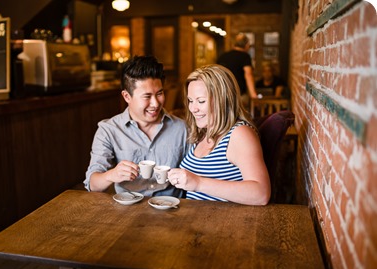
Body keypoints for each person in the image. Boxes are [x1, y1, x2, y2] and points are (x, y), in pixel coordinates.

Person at [84, 55, 188, 197]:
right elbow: (92, 184)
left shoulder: (182, 128)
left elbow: (198, 174)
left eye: (159, 93)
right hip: (129, 210)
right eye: (147, 96)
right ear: (127, 96)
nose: (156, 103)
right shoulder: (109, 130)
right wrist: (111, 175)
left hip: (174, 209)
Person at [167, 64, 270, 205]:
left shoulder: (240, 134)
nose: (193, 108)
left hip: (224, 223)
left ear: (223, 100)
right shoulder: (204, 131)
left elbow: (261, 193)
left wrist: (198, 183)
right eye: (190, 101)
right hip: (195, 219)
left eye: (201, 101)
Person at [217, 33, 257, 110]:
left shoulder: (223, 56)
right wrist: (253, 95)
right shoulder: (245, 56)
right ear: (247, 45)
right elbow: (248, 74)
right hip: (239, 95)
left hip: (223, 95)